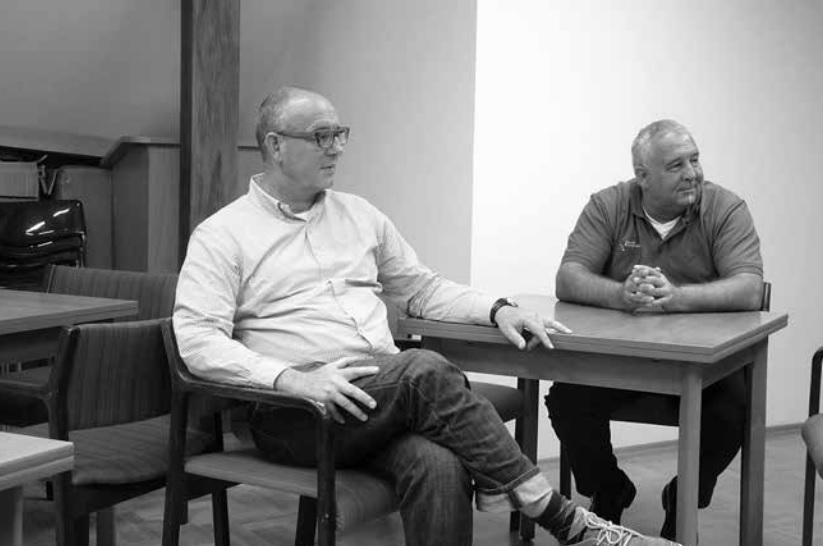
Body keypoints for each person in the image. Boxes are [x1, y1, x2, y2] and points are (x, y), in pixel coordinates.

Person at [173, 86, 679, 546]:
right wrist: (291, 379)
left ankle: (532, 500)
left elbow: (421, 289)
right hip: (295, 411)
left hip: (378, 397)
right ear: (276, 145)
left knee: (438, 463)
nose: (337, 148)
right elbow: (196, 339)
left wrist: (498, 309)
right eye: (321, 136)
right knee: (423, 369)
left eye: (340, 134)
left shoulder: (360, 215)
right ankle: (558, 515)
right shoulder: (223, 235)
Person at [547, 119, 763, 540]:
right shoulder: (608, 205)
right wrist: (619, 294)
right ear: (642, 176)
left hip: (703, 368)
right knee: (567, 397)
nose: (692, 173)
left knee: (733, 409)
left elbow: (750, 288)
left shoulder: (726, 208)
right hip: (623, 361)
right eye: (676, 165)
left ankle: (684, 497)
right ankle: (609, 487)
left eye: (695, 160)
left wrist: (676, 297)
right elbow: (568, 276)